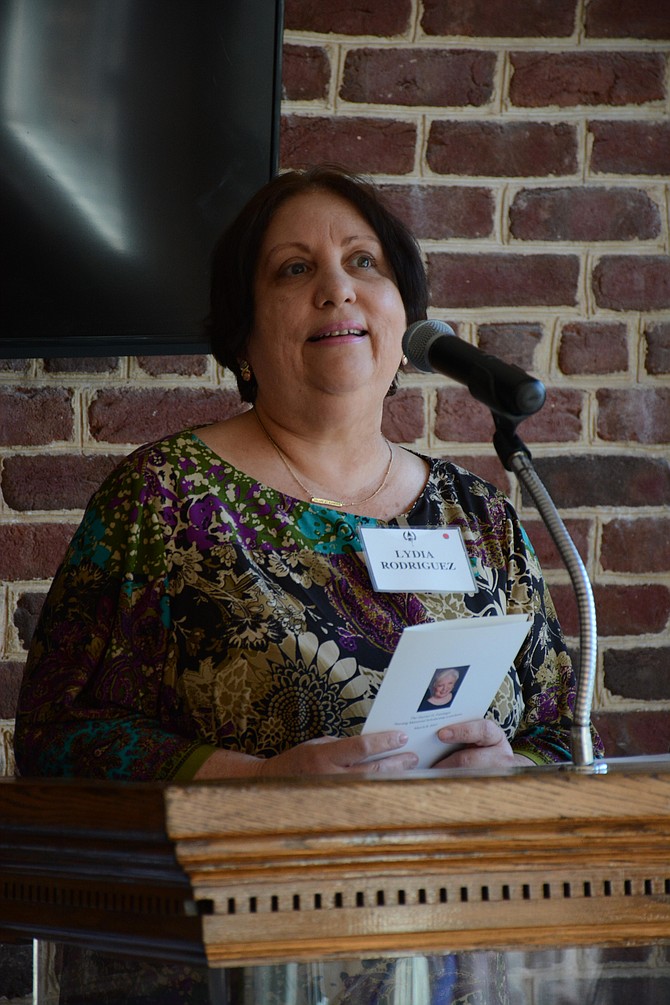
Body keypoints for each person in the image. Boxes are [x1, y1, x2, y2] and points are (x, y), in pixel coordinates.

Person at [14, 165, 602, 1004]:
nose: (337, 288)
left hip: (459, 960)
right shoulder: (167, 497)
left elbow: (560, 735)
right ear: (243, 336)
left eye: (365, 263)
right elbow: (57, 740)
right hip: (231, 967)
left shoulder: (480, 515)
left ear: (406, 317)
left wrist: (510, 769)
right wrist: (256, 786)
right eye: (294, 269)